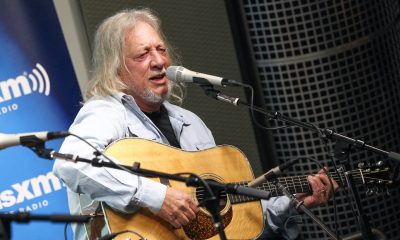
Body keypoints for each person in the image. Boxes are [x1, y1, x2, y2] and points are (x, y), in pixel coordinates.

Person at [53, 8, 339, 240]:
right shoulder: (106, 112)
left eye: (160, 50)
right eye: (142, 55)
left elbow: (234, 221)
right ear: (116, 68)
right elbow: (70, 163)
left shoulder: (190, 123)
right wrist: (157, 197)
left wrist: (292, 201)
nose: (158, 62)